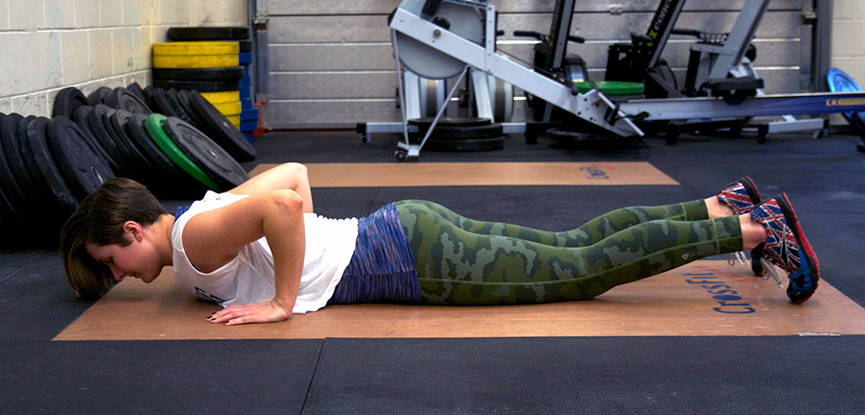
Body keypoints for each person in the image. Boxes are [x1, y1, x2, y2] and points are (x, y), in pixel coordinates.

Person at [60, 163, 819, 326]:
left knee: (583, 267)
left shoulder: (191, 238)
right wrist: (325, 254)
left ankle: (755, 228)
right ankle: (725, 205)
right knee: (575, 244)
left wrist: (287, 299)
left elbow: (285, 207)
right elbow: (287, 178)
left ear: (129, 231)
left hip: (408, 257)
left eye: (112, 265)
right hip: (400, 229)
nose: (123, 277)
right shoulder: (203, 212)